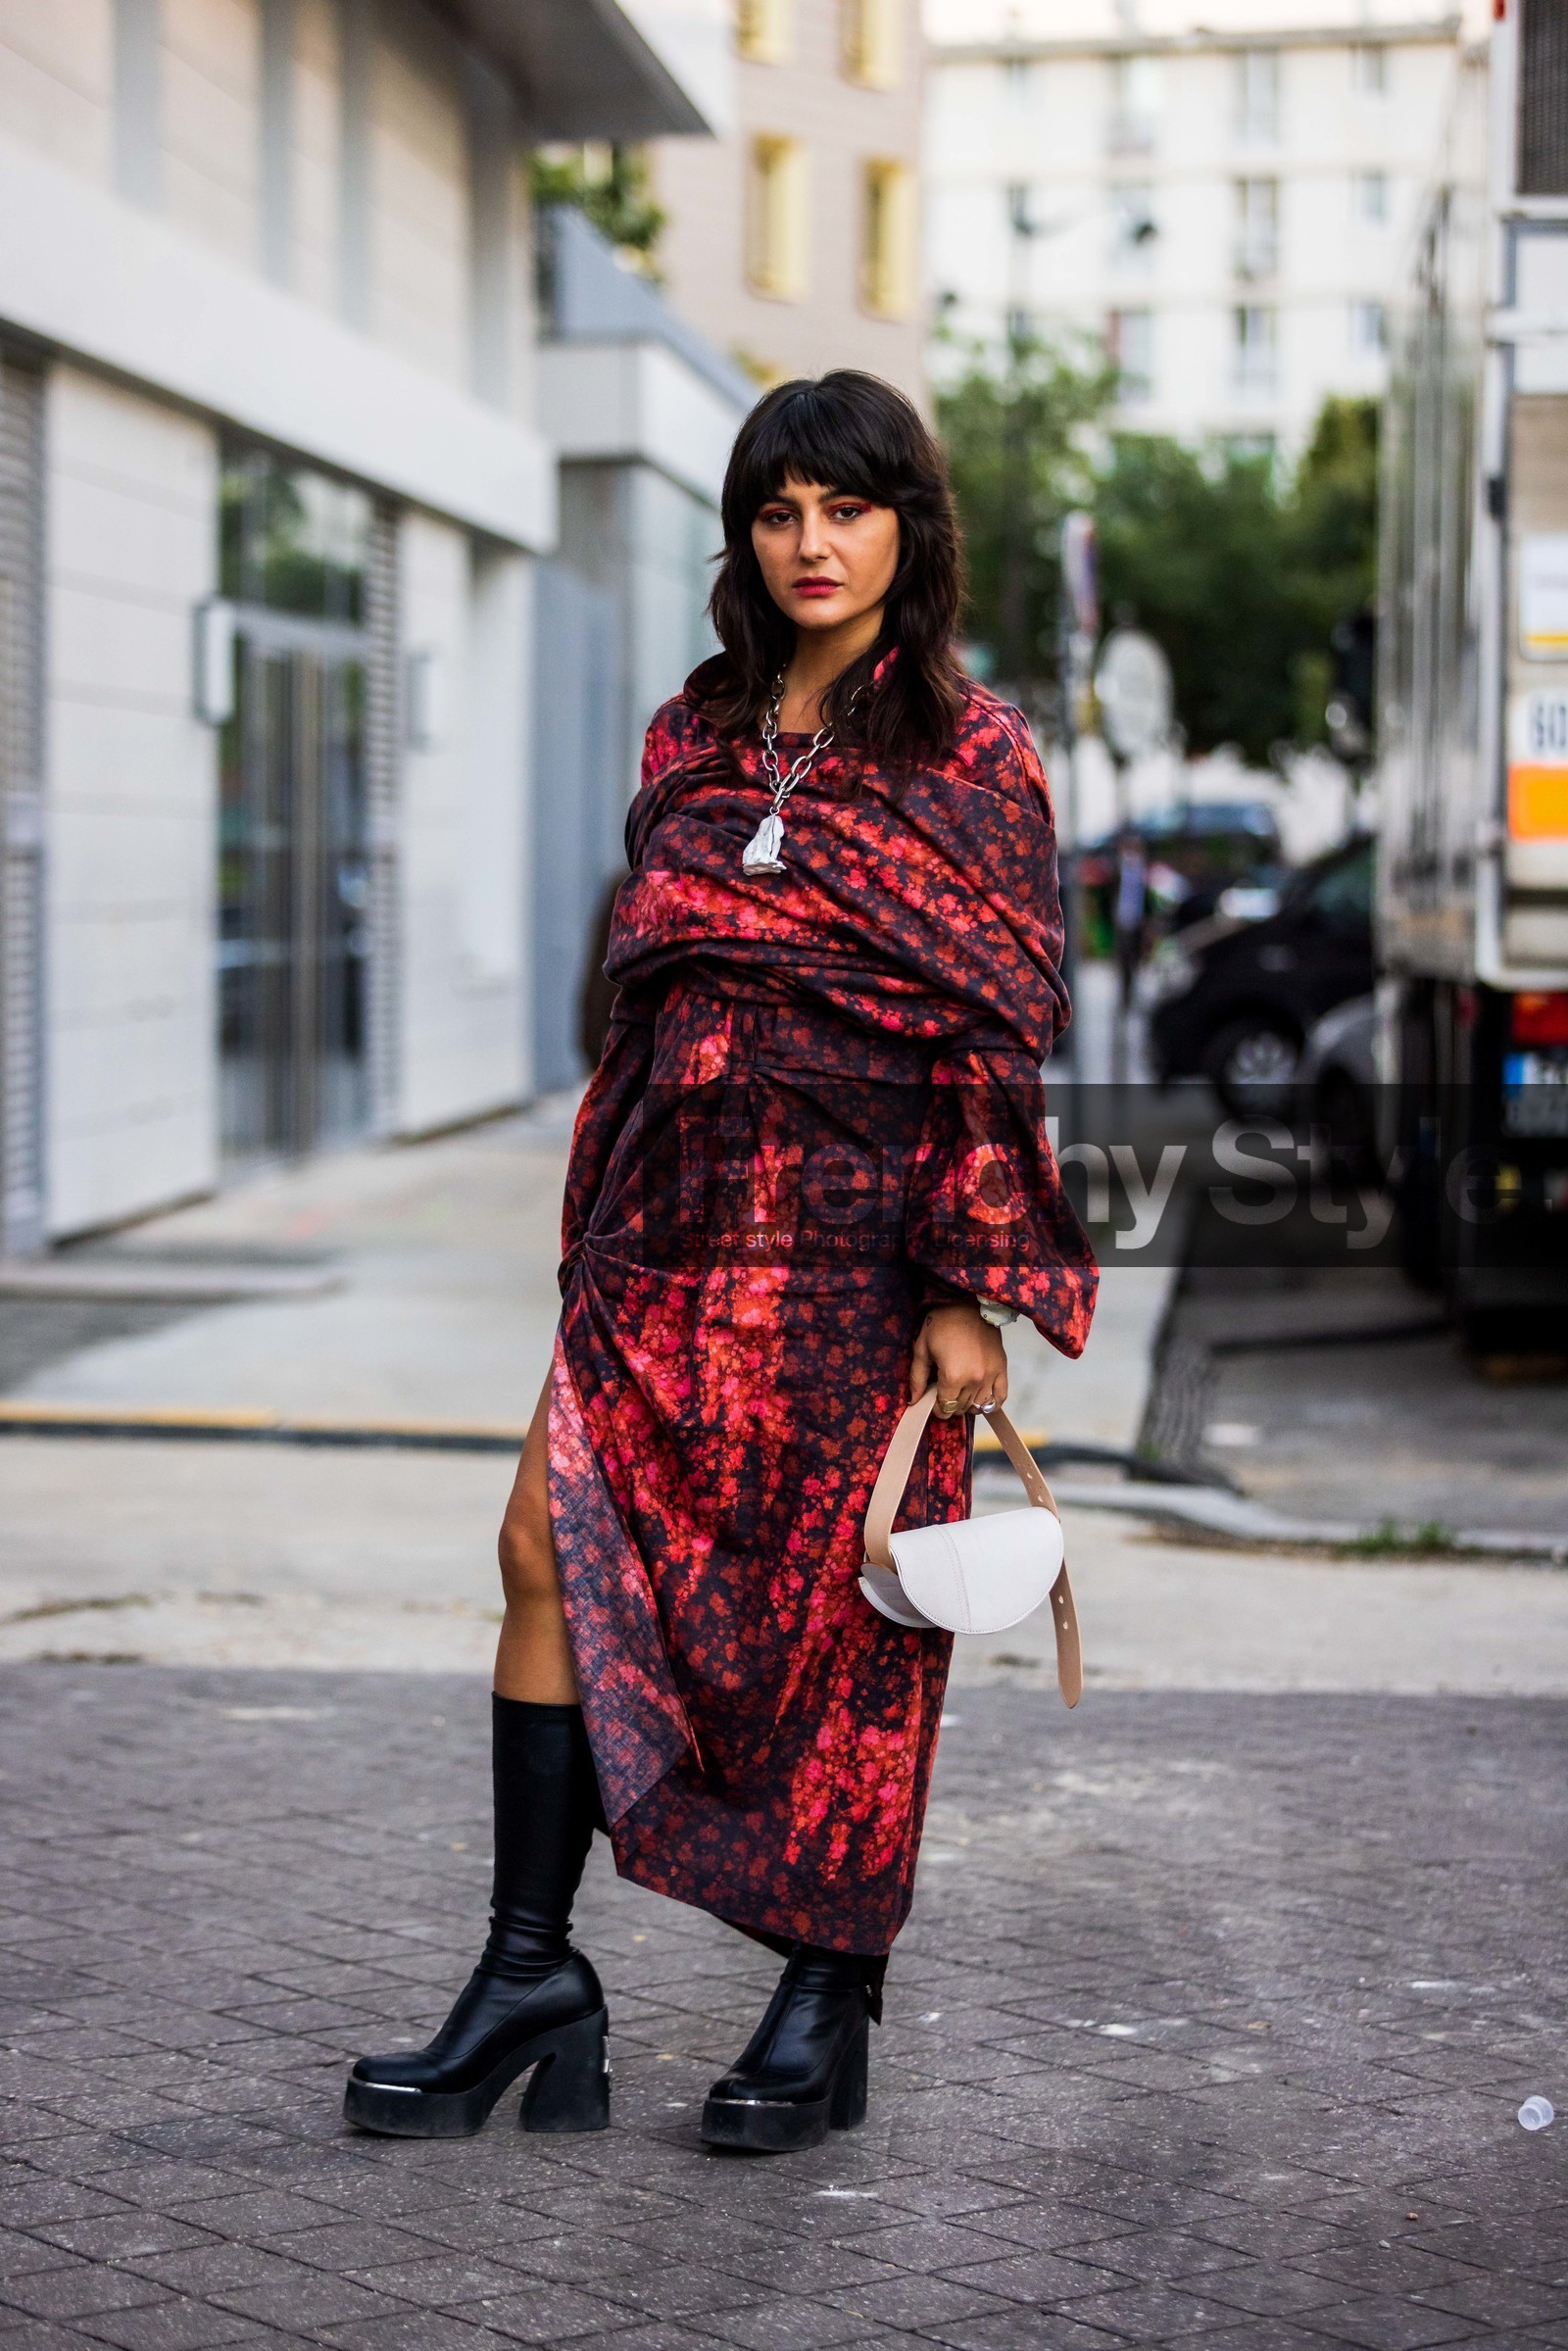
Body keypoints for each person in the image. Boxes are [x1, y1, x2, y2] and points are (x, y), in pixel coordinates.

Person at [345, 371, 1098, 2155]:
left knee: (846, 1619)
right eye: (777, 512)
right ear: (743, 535)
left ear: (907, 526)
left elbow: (995, 1034)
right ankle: (532, 1971)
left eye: (846, 508)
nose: (811, 544)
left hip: (850, 1252)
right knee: (542, 1540)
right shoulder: (691, 736)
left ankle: (825, 1997)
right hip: (666, 1243)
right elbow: (645, 990)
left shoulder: (975, 755)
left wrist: (966, 1288)